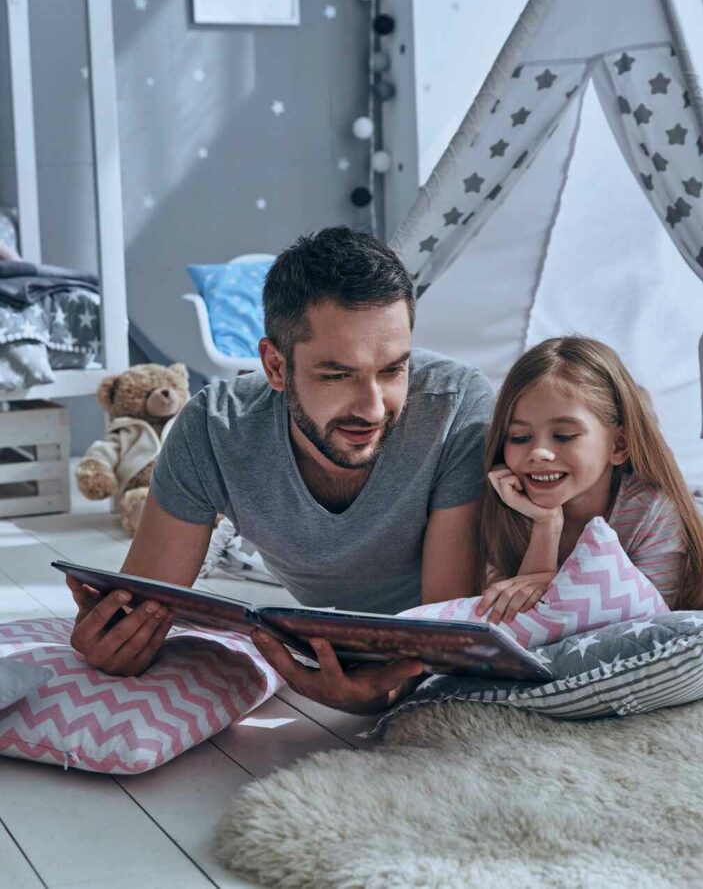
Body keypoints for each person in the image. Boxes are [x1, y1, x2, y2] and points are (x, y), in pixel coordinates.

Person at [66, 227, 494, 713]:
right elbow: (141, 606)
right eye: (337, 375)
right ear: (274, 365)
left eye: (393, 370)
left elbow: (444, 637)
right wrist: (116, 641)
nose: (373, 408)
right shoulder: (213, 430)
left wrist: (383, 693)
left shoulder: (457, 409)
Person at [476, 336, 703, 623]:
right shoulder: (506, 505)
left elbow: (641, 628)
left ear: (619, 446)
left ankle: (643, 405)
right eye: (520, 437)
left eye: (564, 435)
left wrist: (549, 585)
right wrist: (545, 524)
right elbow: (515, 626)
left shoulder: (650, 512)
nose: (538, 453)